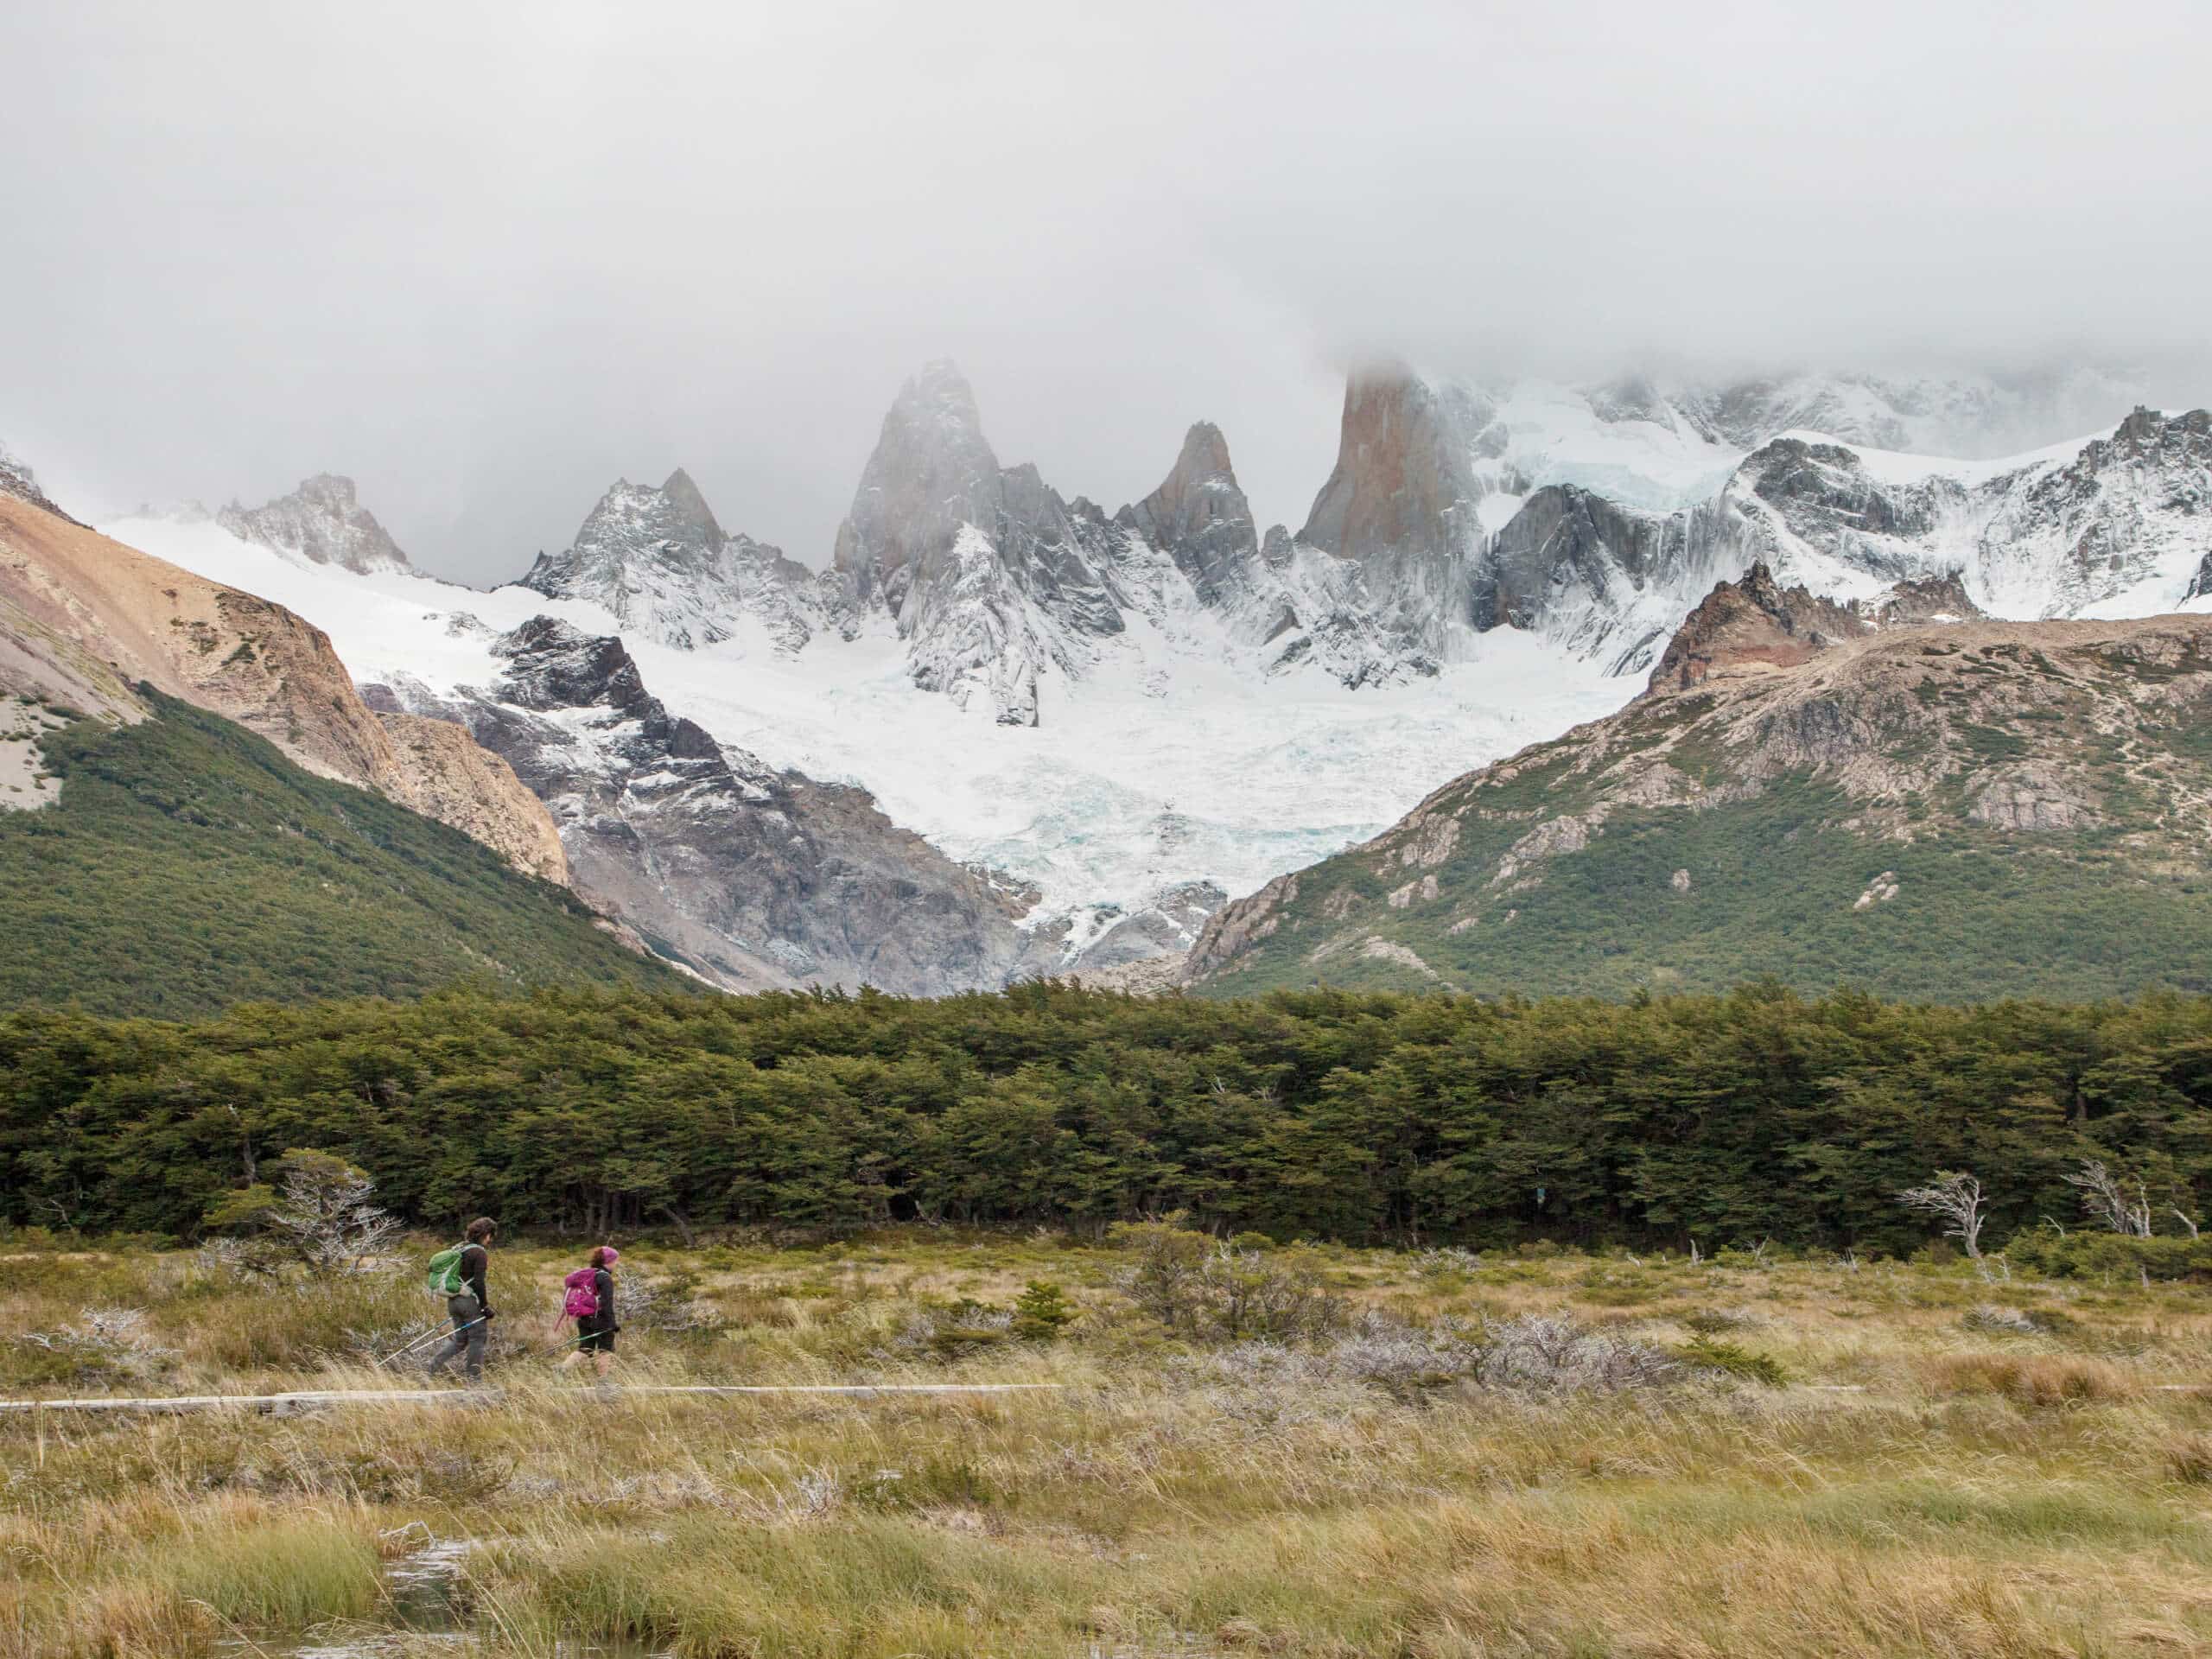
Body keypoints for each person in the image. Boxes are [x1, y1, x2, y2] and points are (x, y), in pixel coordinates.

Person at [426, 1217, 498, 1383]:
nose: (491, 1240)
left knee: (460, 1340)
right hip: (468, 1302)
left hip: (453, 1301)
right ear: (486, 1234)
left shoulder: (461, 1248)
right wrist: (485, 1306)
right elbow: (479, 1282)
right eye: (491, 1235)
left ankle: (430, 1369)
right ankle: (474, 1382)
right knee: (478, 1338)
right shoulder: (479, 1252)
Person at [559, 1245, 620, 1381]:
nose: (617, 1263)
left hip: (584, 1318)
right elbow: (606, 1304)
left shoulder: (589, 1274)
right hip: (601, 1320)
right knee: (606, 1351)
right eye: (615, 1260)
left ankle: (562, 1369)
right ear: (608, 1261)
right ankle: (604, 1382)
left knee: (585, 1349)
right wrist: (612, 1324)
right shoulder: (605, 1278)